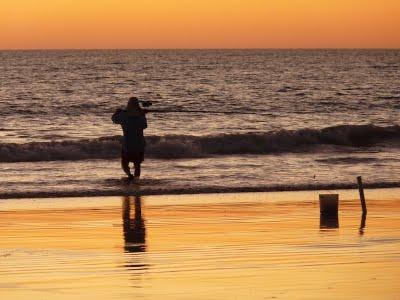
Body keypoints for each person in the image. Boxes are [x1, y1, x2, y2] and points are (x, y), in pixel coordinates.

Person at [112, 97, 148, 181]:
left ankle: (129, 175)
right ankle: (136, 180)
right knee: (137, 164)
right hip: (139, 144)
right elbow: (145, 126)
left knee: (124, 163)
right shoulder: (140, 117)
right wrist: (143, 115)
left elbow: (114, 119)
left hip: (127, 144)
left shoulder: (123, 116)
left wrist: (116, 112)